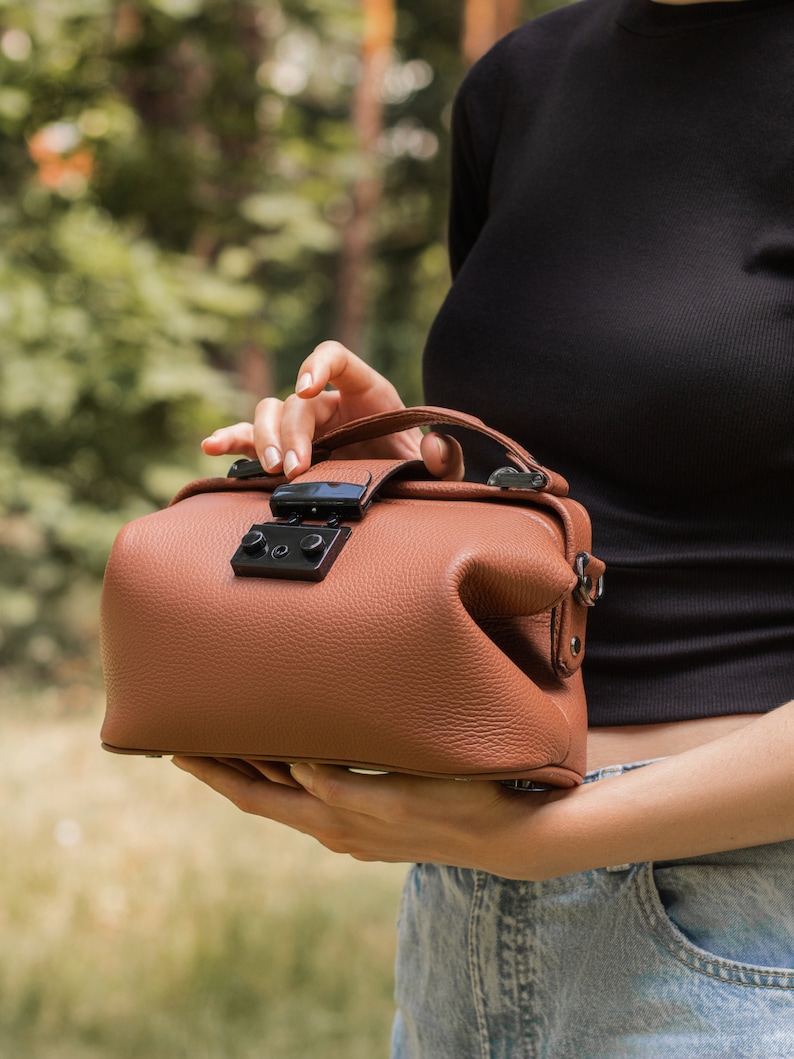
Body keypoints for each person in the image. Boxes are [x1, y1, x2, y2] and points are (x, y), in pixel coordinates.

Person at [173, 0, 794, 1053]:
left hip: (740, 930)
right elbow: (572, 484)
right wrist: (405, 464)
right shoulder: (523, 80)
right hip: (467, 899)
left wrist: (552, 839)